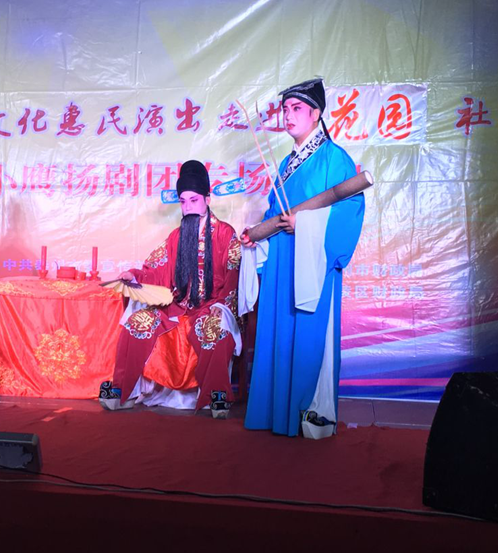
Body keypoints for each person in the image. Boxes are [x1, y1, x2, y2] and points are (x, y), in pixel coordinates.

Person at [242, 78, 366, 438]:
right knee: (279, 330)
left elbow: (350, 209)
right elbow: (274, 213)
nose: (288, 115)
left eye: (296, 108)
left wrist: (306, 223)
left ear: (316, 114)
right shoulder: (285, 164)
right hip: (283, 261)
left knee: (309, 333)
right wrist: (256, 235)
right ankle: (275, 411)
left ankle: (310, 413)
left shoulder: (334, 158)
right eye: (285, 109)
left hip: (313, 262)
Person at [99, 160, 242, 417]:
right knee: (136, 323)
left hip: (212, 305)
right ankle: (125, 391)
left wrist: (223, 306)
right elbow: (157, 269)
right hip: (178, 306)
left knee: (214, 328)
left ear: (207, 199)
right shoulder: (176, 236)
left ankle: (216, 396)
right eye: (183, 201)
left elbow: (233, 277)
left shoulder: (225, 234)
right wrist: (135, 275)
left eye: (194, 200)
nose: (188, 207)